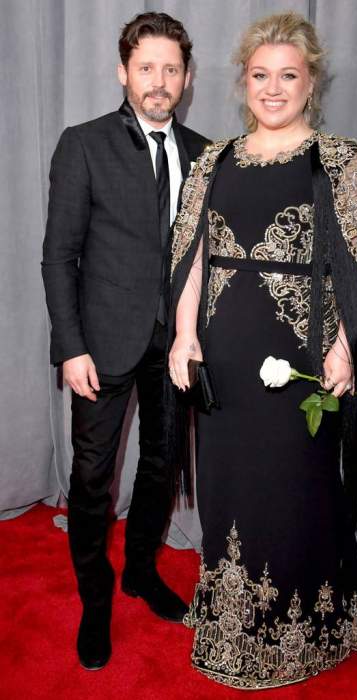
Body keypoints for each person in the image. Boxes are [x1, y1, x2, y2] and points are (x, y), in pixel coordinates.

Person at [168, 12, 357, 690]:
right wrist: (184, 336)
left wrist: (343, 350)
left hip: (298, 362)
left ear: (311, 83)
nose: (272, 89)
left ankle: (300, 626)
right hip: (222, 358)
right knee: (228, 486)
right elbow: (191, 259)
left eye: (288, 76)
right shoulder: (213, 161)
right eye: (260, 75)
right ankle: (232, 618)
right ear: (242, 81)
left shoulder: (342, 162)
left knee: (294, 487)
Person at [42, 12, 208, 671]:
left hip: (176, 345)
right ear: (123, 73)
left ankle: (140, 570)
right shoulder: (82, 144)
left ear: (186, 78)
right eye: (146, 68)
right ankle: (95, 598)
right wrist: (70, 347)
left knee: (163, 464)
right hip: (101, 343)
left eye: (171, 69)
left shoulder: (205, 153)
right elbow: (59, 257)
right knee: (92, 478)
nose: (158, 81)